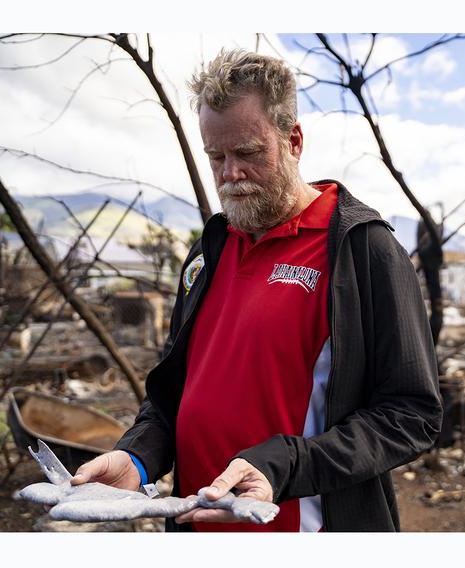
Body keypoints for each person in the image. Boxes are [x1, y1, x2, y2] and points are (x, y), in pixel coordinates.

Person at [70, 48, 442, 532]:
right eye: (216, 156)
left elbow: (411, 413)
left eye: (247, 152)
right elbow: (174, 393)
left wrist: (285, 463)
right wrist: (138, 456)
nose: (230, 174)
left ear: (293, 141)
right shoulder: (210, 250)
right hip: (196, 527)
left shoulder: (361, 249)